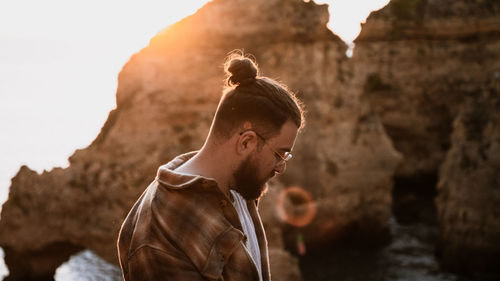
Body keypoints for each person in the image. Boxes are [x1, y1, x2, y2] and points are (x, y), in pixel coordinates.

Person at [117, 53, 305, 281]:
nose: (281, 167)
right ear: (246, 142)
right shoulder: (160, 228)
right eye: (280, 154)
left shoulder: (238, 185)